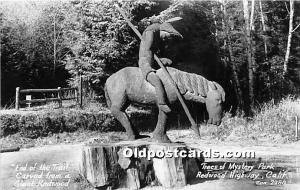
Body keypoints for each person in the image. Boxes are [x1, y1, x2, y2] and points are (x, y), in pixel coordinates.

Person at [138, 21, 183, 113]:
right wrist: (152, 65)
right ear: (164, 30)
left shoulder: (158, 37)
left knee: (169, 63)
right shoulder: (151, 31)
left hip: (152, 61)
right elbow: (148, 49)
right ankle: (162, 103)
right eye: (167, 36)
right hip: (145, 62)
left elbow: (154, 53)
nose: (166, 39)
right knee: (156, 81)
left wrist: (162, 60)